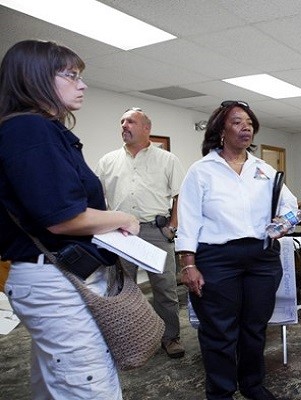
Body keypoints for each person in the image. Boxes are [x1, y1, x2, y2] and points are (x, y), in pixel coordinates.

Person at [0, 39, 140, 399]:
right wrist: (121, 216)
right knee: (89, 384)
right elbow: (63, 218)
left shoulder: (35, 129)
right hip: (53, 277)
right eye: (71, 75)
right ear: (36, 78)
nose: (83, 84)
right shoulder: (29, 129)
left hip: (51, 274)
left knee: (53, 381)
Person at [175, 100, 298, 400]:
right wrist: (188, 264)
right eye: (237, 122)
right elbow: (188, 219)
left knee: (254, 328)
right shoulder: (202, 170)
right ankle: (220, 391)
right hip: (217, 259)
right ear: (220, 130)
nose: (246, 127)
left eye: (250, 122)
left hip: (261, 257)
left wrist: (284, 222)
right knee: (219, 332)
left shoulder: (264, 169)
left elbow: (291, 206)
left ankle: (252, 385)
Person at [96, 107, 186, 358]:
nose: (124, 125)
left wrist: (172, 227)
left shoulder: (167, 160)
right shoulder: (107, 161)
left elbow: (181, 196)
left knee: (165, 289)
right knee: (121, 289)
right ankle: (127, 340)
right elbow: (96, 196)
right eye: (122, 121)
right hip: (120, 234)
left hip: (157, 232)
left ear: (147, 128)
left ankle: (170, 338)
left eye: (131, 121)